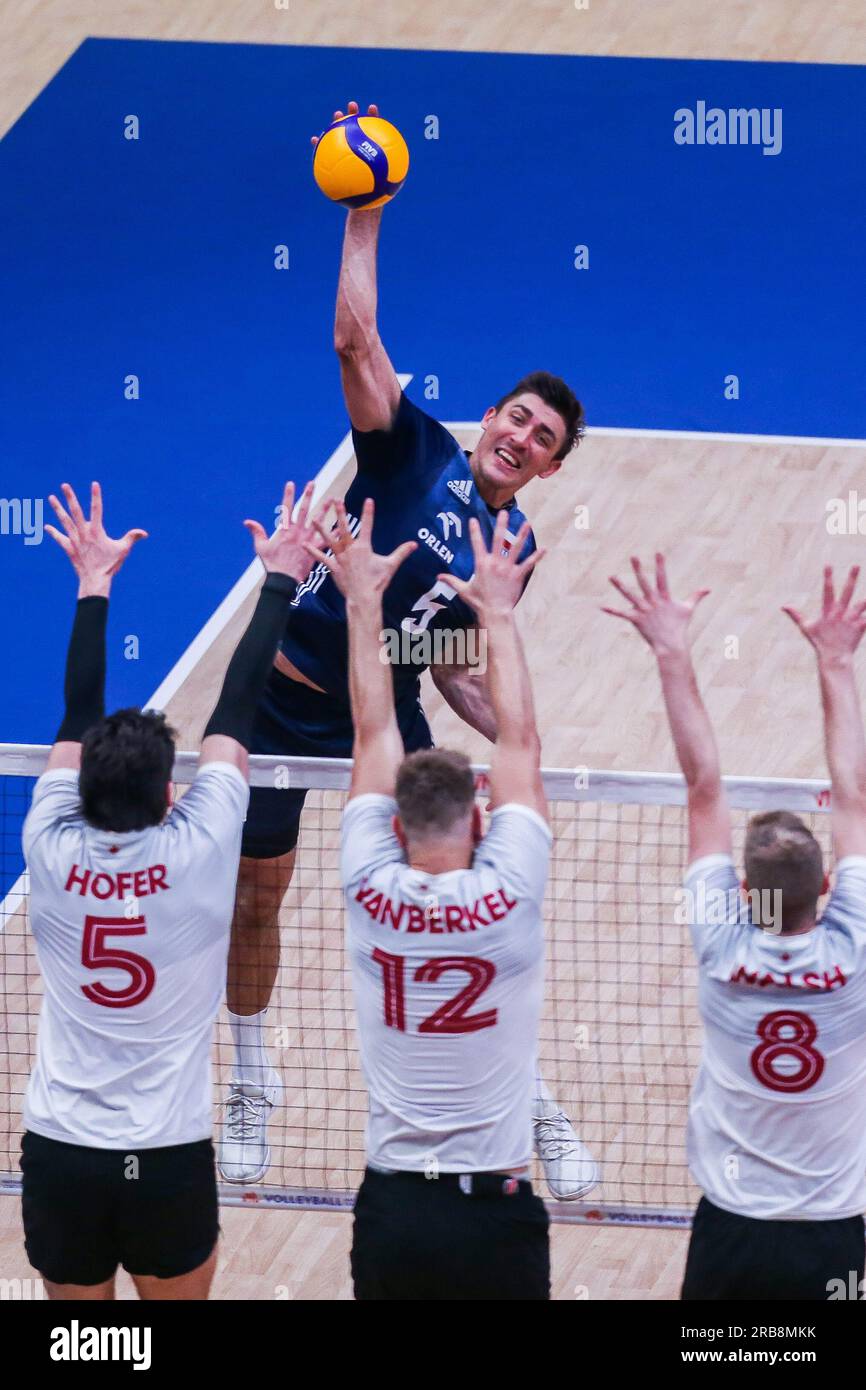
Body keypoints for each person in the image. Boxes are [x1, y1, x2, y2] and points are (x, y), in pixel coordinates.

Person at [219, 98, 597, 1201]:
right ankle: (252, 1084)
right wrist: (364, 213)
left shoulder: (513, 543)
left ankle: (534, 1107)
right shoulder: (410, 446)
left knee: (468, 905)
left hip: (390, 720)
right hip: (293, 703)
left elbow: (445, 659)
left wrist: (501, 721)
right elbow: (351, 337)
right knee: (255, 897)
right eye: (516, 417)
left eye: (542, 440)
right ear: (489, 416)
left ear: (547, 469)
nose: (520, 436)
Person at [21, 478, 328, 1299]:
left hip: (60, 1152)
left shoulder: (47, 846)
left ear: (80, 788)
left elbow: (74, 712)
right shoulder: (200, 853)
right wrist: (279, 577)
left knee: (86, 1352)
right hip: (165, 1160)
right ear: (169, 795)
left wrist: (94, 582)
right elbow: (240, 703)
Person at [306, 499, 553, 1299]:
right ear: (480, 817)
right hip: (497, 1206)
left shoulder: (368, 885)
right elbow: (520, 741)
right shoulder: (509, 891)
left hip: (397, 1207)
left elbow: (373, 733)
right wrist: (499, 615)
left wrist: (362, 602)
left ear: (396, 829)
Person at [604, 556, 866, 1301]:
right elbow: (855, 793)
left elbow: (703, 786)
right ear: (827, 887)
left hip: (733, 1232)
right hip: (832, 1235)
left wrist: (671, 650)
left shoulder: (721, 945)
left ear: (743, 892)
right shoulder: (854, 954)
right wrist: (838, 662)